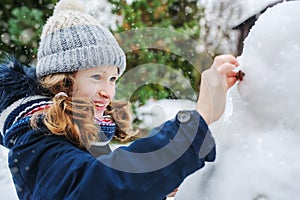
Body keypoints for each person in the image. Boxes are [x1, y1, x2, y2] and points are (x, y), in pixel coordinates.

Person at [0, 0, 239, 199]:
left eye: (113, 79)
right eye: (97, 77)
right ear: (63, 81)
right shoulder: (35, 142)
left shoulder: (81, 134)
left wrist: (156, 184)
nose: (108, 91)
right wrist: (195, 123)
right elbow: (104, 185)